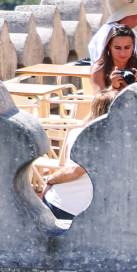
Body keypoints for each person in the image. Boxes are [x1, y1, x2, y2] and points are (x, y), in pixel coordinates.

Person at [30, 92, 111, 222]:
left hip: (63, 203)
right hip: (78, 210)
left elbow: (74, 170)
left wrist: (50, 180)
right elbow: (76, 170)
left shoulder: (78, 133)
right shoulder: (121, 141)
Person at [89, 23, 137, 95]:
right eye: (117, 48)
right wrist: (113, 88)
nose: (122, 53)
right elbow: (98, 103)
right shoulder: (99, 69)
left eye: (127, 48)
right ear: (109, 47)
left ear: (133, 47)